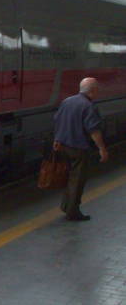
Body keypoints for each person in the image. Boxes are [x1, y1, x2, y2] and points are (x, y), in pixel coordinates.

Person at [52, 77, 108, 221]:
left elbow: (58, 121)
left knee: (69, 177)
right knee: (77, 180)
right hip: (78, 148)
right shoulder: (89, 106)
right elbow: (93, 130)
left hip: (63, 146)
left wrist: (57, 139)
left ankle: (66, 205)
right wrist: (102, 148)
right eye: (97, 90)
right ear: (93, 91)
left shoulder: (67, 101)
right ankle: (72, 212)